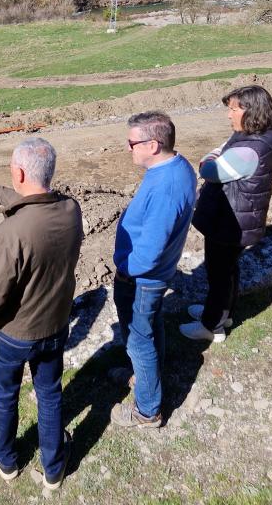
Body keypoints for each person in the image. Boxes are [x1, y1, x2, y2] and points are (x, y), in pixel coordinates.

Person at [0, 137, 83, 491]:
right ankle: (53, 468)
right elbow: (32, 202)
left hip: (12, 336)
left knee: (4, 395)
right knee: (49, 394)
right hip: (56, 325)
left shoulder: (11, 233)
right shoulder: (70, 210)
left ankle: (6, 459)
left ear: (18, 171)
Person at [180, 85, 272, 342]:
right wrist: (216, 155)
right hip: (239, 220)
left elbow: (209, 170)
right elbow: (221, 152)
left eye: (233, 109)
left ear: (250, 111)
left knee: (218, 274)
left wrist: (208, 158)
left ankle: (211, 327)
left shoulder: (248, 149)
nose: (228, 115)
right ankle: (222, 314)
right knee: (227, 270)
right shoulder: (258, 137)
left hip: (230, 223)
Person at [110, 111, 196, 429]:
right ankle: (148, 376)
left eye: (132, 142)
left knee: (138, 339)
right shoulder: (173, 166)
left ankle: (147, 410)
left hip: (143, 277)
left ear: (154, 144)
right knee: (151, 326)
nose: (128, 147)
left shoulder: (166, 187)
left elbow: (150, 250)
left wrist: (124, 269)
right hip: (154, 275)